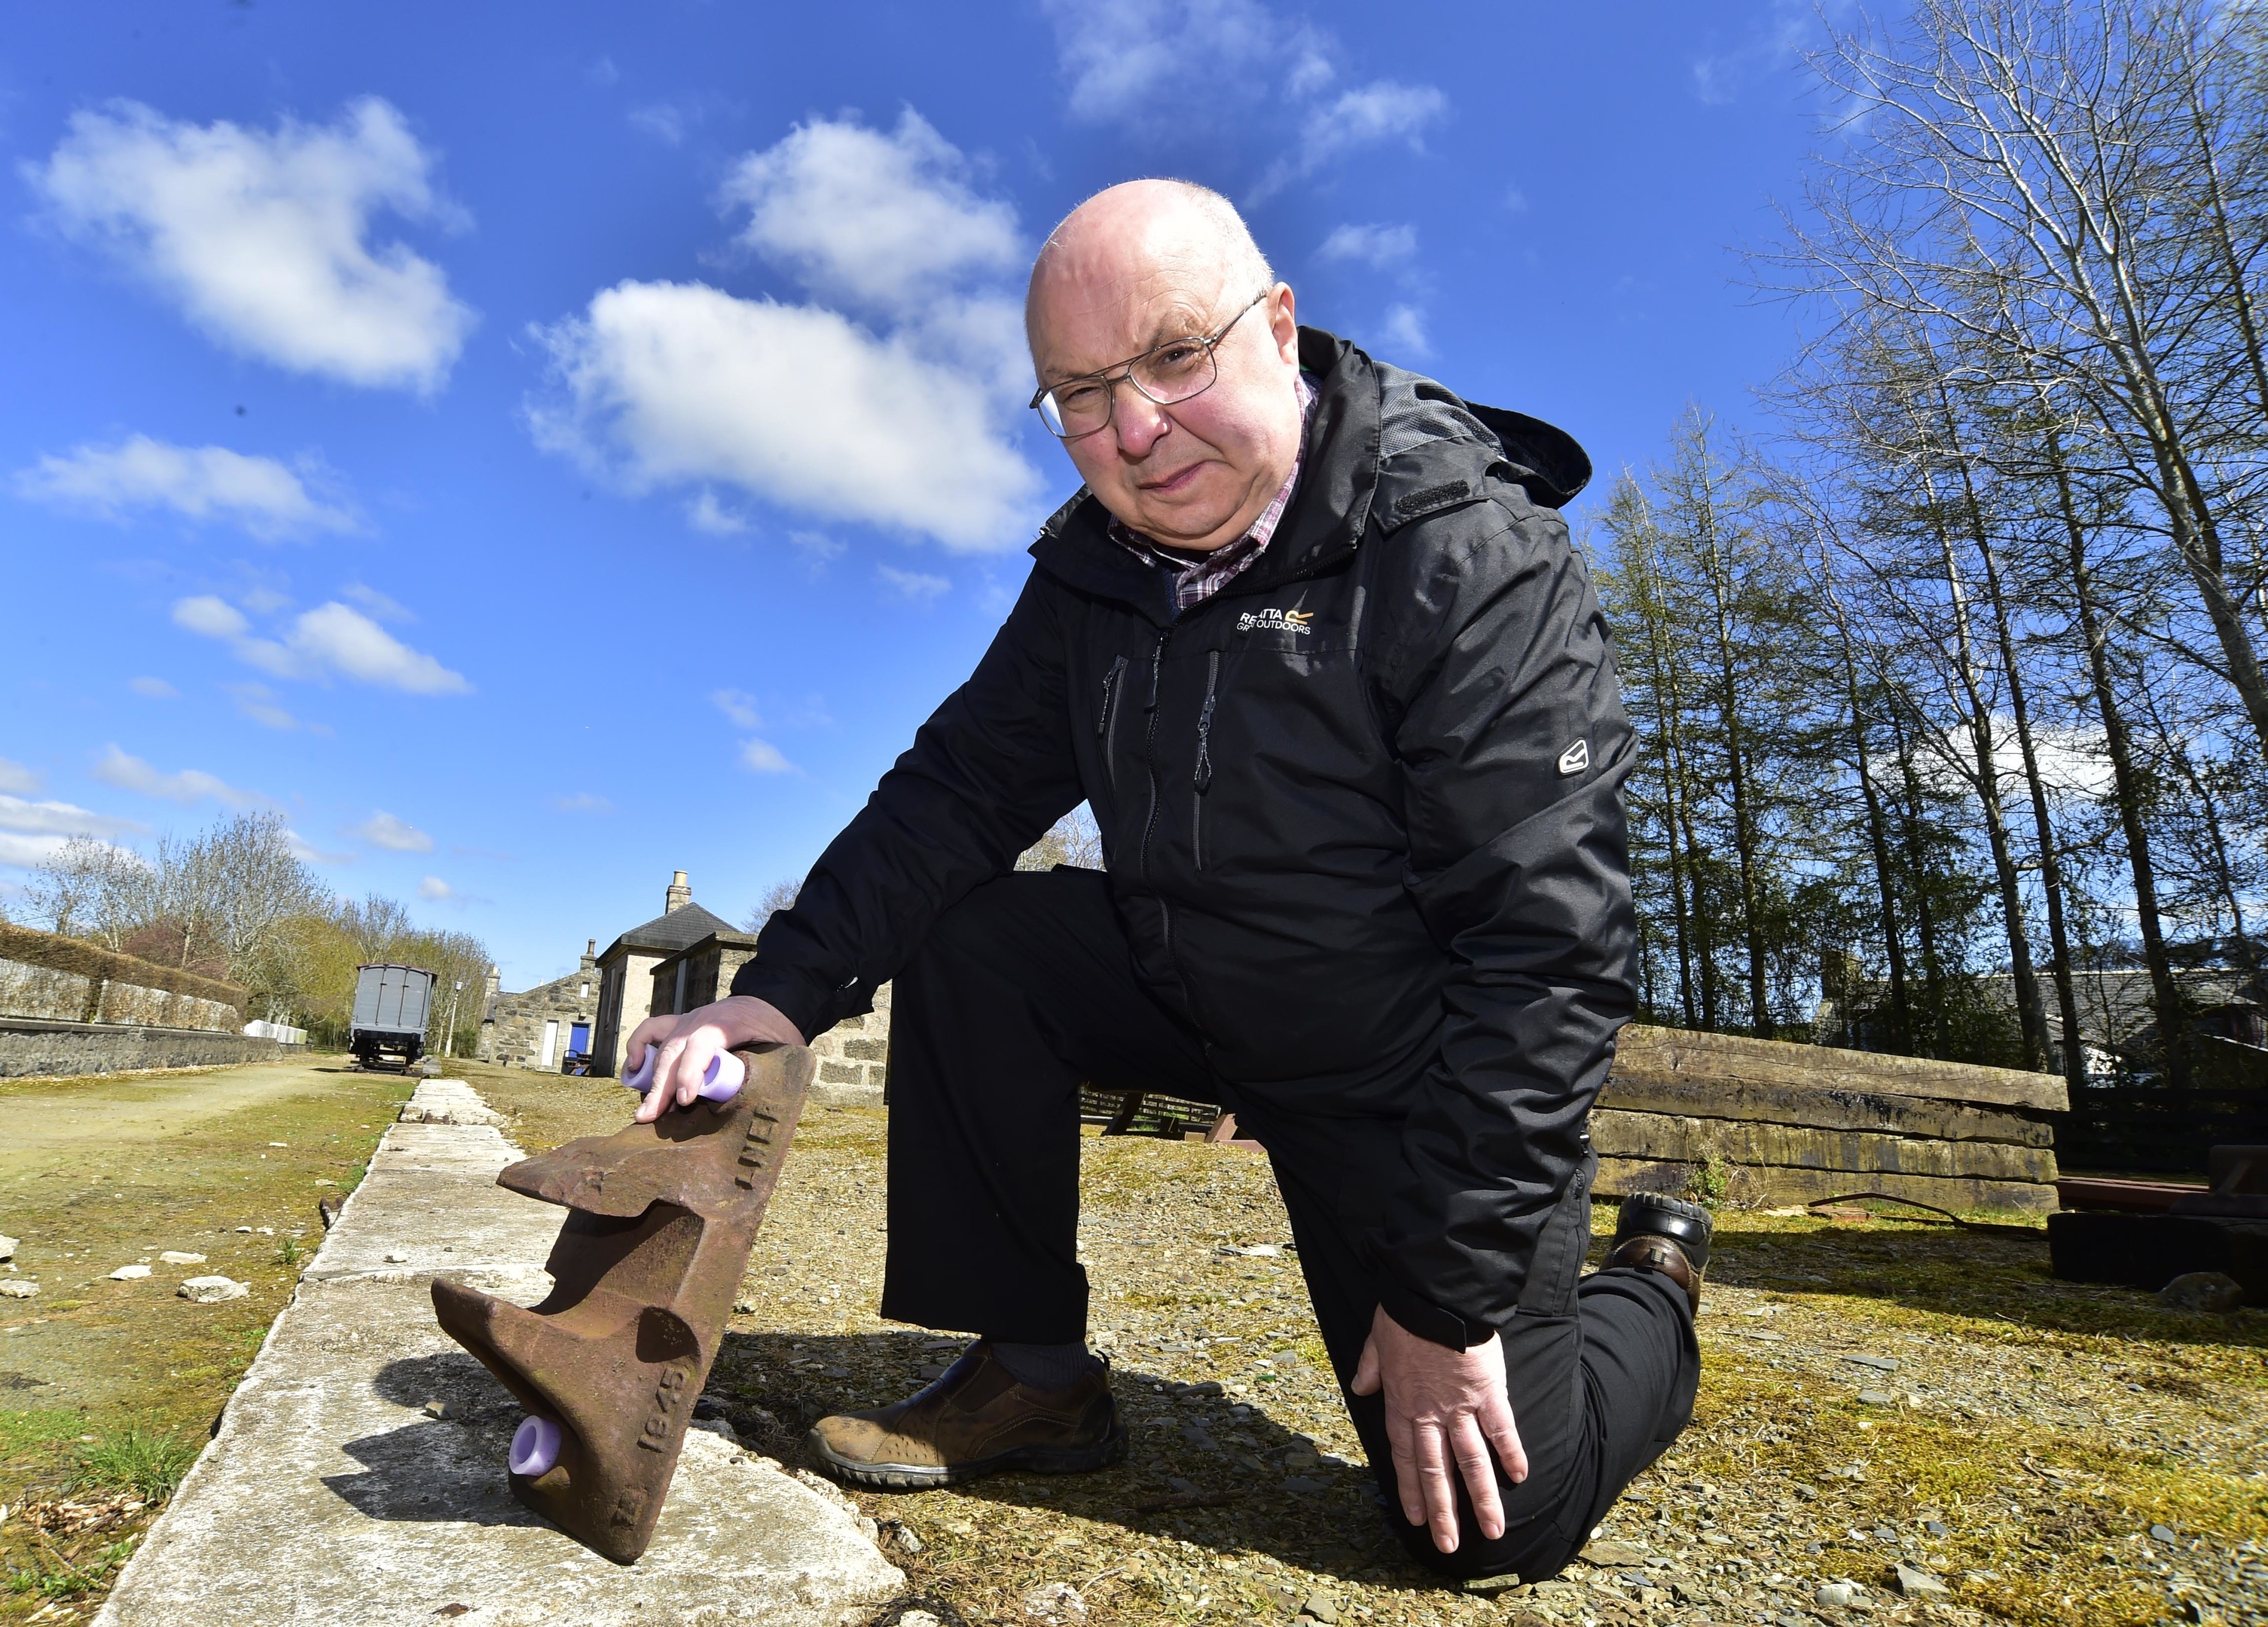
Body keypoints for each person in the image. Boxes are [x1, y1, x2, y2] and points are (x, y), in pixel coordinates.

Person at [624, 178, 1710, 1580]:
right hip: (1194, 987)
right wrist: (772, 998)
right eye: (1079, 394)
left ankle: (1654, 1283)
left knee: (1491, 1529)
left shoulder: (1465, 556)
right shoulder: (1093, 575)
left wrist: (1446, 1302)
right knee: (979, 932)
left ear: (1277, 326)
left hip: (1406, 1067)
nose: (1133, 429)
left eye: (1174, 359)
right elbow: (952, 797)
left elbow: (1545, 953)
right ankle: (1031, 1371)